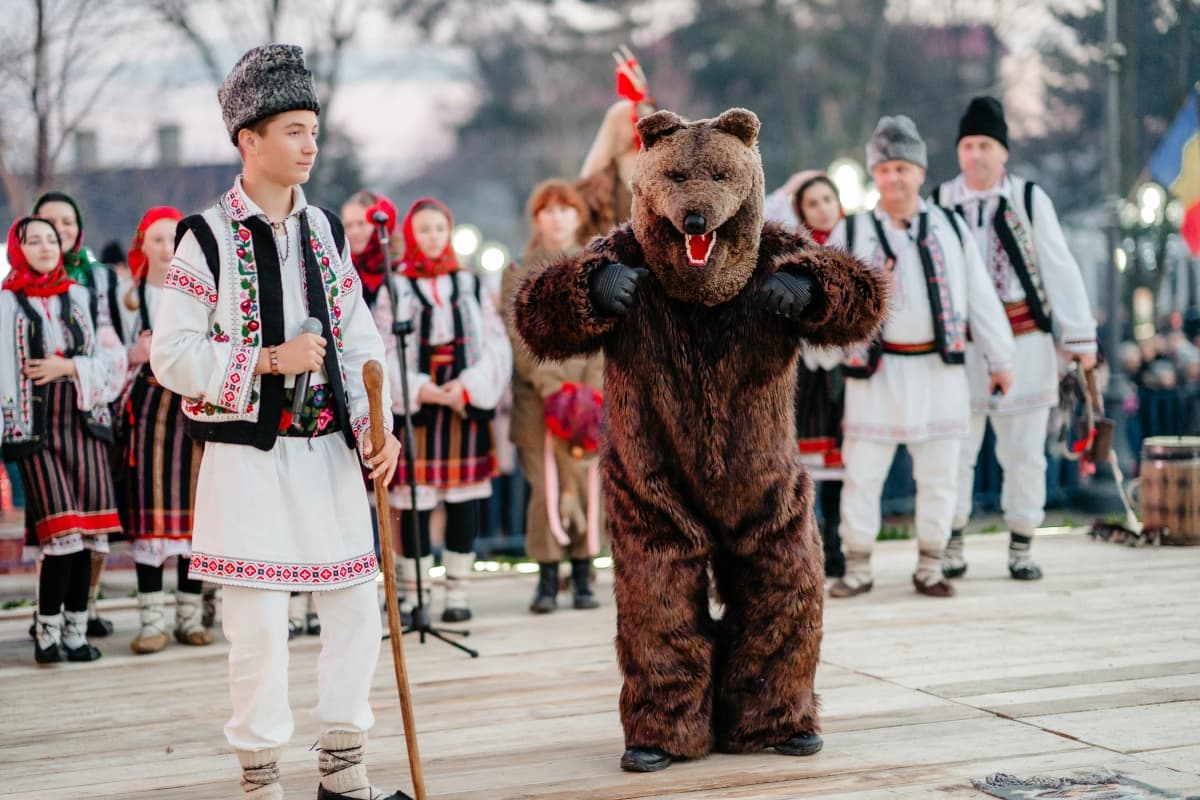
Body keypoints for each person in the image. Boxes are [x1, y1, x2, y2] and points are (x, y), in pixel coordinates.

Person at [149, 44, 405, 800]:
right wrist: (266, 361)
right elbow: (171, 355)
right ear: (247, 140)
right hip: (246, 460)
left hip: (328, 451)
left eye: (313, 130)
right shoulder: (206, 237)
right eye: (293, 130)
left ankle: (343, 771)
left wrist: (374, 423)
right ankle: (262, 783)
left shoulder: (325, 229)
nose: (309, 145)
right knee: (258, 630)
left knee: (358, 609)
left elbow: (359, 338)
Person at [828, 115, 1015, 598]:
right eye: (885, 168)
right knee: (862, 473)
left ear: (919, 172)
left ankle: (931, 564)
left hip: (938, 370)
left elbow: (980, 297)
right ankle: (859, 565)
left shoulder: (950, 227)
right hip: (876, 371)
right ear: (875, 174)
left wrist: (1001, 359)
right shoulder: (852, 231)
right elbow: (827, 300)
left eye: (903, 168)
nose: (894, 177)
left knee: (940, 473)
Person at [932, 96, 1098, 580]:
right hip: (961, 346)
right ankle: (952, 540)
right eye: (967, 145)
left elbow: (1059, 267)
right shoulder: (941, 202)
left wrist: (1079, 337)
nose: (975, 155)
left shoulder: (1027, 198)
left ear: (1002, 151)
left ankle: (1022, 543)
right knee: (957, 448)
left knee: (1023, 451)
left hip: (1025, 339)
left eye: (985, 144)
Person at [376, 198, 511, 624]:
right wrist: (420, 390)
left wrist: (467, 388)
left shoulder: (470, 284)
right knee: (415, 505)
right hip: (420, 406)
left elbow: (494, 342)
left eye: (439, 228)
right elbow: (383, 347)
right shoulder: (394, 288)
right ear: (410, 236)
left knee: (462, 503)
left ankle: (458, 591)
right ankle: (418, 596)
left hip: (462, 403)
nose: (433, 237)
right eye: (424, 230)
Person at [1, 216, 125, 663]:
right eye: (33, 240)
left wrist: (67, 367)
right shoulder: (6, 305)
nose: (44, 246)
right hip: (34, 430)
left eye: (50, 239)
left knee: (88, 534)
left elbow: (109, 359)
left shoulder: (81, 297)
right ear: (19, 249)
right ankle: (47, 631)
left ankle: (75, 631)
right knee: (60, 534)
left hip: (83, 424)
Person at [502, 179, 604, 612]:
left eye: (566, 209)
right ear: (537, 218)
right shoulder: (518, 270)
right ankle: (546, 577)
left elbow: (604, 335)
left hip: (589, 398)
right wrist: (554, 389)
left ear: (578, 216)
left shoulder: (597, 267)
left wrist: (588, 391)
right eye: (548, 210)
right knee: (545, 488)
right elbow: (519, 337)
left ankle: (583, 576)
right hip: (538, 400)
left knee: (585, 480)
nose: (557, 217)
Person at [118, 206, 213, 654]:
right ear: (143, 244)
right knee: (151, 508)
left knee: (196, 511)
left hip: (191, 408)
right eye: (157, 239)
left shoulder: (202, 295)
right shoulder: (128, 297)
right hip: (149, 411)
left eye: (173, 238)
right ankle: (151, 620)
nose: (167, 248)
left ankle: (189, 616)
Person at [32, 190, 127, 637]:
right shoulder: (15, 290)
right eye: (49, 225)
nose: (60, 233)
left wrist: (69, 367)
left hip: (91, 411)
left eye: (67, 223)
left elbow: (113, 350)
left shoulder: (99, 281)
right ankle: (49, 617)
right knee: (57, 528)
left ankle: (82, 610)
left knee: (95, 522)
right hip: (41, 422)